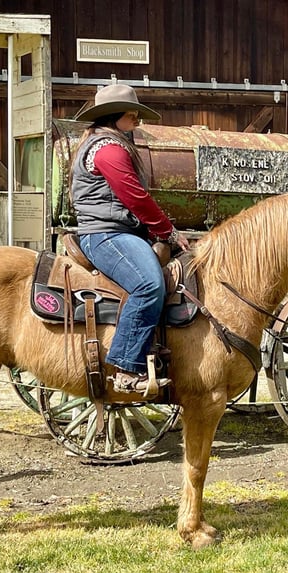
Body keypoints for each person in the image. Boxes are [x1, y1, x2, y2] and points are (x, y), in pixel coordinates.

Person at [70, 84, 190, 395]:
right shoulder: (108, 149)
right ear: (114, 117)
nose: (137, 121)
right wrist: (168, 231)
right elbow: (135, 197)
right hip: (106, 234)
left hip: (115, 231)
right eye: (132, 115)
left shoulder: (104, 144)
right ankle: (126, 365)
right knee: (149, 284)